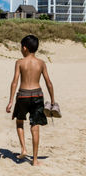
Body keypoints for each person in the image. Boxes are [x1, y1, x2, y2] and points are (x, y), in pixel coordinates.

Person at [6, 35, 55, 166]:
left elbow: (14, 82)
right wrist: (53, 101)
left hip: (23, 95)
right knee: (35, 126)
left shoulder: (20, 62)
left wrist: (10, 101)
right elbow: (49, 83)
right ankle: (34, 160)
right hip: (37, 95)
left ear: (25, 48)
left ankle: (23, 148)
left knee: (19, 122)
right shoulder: (41, 63)